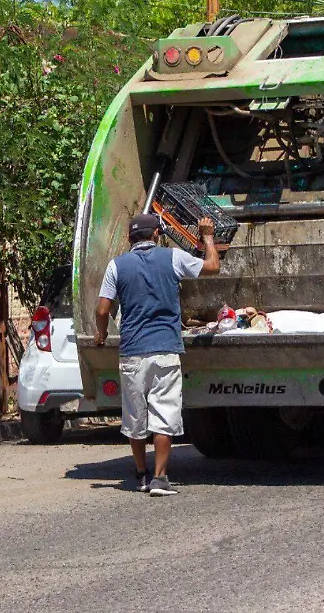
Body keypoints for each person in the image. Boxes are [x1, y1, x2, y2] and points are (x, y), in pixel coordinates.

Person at [95, 213, 220, 497]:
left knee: (135, 418)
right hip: (165, 349)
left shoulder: (117, 266)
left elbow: (103, 310)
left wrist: (101, 335)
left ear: (130, 239)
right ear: (156, 235)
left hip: (132, 353)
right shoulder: (173, 258)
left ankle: (140, 474)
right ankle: (160, 479)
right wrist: (208, 236)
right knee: (163, 415)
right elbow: (213, 266)